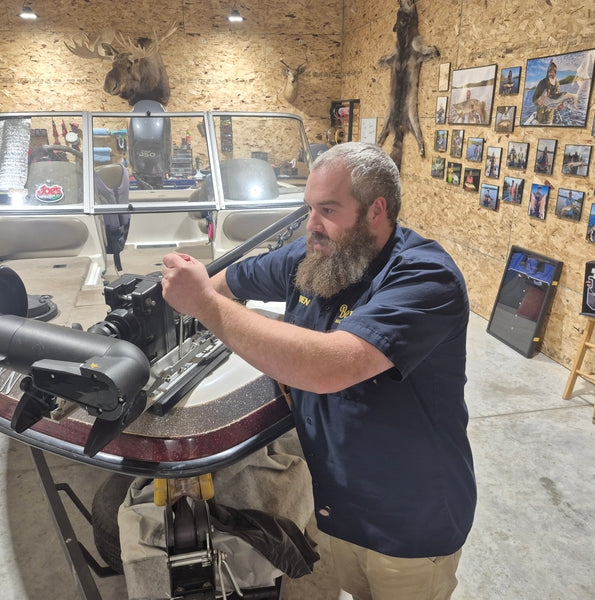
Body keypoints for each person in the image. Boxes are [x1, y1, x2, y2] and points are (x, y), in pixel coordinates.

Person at [161, 142, 476, 600]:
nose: (312, 225)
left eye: (328, 209)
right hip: (343, 505)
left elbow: (326, 367)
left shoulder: (425, 277)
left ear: (376, 210)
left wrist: (205, 307)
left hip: (412, 519)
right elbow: (233, 280)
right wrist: (202, 289)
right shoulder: (318, 254)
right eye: (309, 207)